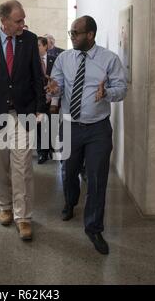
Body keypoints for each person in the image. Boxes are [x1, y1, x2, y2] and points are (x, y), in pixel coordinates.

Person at [46, 16, 127, 255]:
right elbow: (57, 85)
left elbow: (121, 89)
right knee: (68, 170)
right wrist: (54, 90)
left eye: (76, 33)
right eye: (70, 32)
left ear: (90, 35)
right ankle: (70, 202)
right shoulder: (64, 58)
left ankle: (93, 226)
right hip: (70, 124)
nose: (72, 37)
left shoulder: (109, 59)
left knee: (97, 176)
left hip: (98, 128)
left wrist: (107, 93)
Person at [0, 0, 46, 241]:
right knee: (0, 164)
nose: (23, 24)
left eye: (23, 19)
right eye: (18, 20)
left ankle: (23, 217)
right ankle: (4, 205)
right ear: (4, 21)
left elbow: (38, 76)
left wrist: (40, 108)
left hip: (23, 113)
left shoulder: (29, 39)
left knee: (23, 165)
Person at [37, 36, 56, 164]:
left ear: (45, 46)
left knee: (50, 125)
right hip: (38, 99)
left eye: (38, 45)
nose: (36, 48)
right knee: (39, 126)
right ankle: (42, 153)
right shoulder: (32, 61)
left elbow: (57, 80)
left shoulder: (54, 60)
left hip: (52, 98)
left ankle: (50, 147)